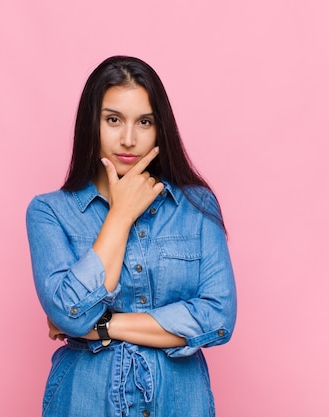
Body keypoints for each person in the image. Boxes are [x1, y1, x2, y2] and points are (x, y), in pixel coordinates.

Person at [26, 55, 237, 417]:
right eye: (113, 120)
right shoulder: (49, 212)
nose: (128, 139)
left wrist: (105, 325)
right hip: (83, 402)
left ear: (160, 128)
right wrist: (120, 216)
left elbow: (217, 318)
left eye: (144, 122)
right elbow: (71, 315)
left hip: (179, 404)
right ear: (92, 123)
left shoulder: (196, 206)